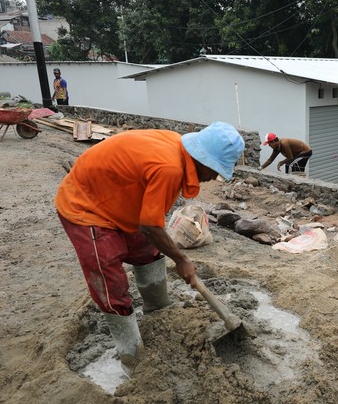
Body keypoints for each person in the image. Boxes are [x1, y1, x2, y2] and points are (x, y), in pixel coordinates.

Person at [55, 122, 245, 366]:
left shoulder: (178, 148)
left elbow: (149, 225)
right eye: (215, 171)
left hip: (120, 200)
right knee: (109, 279)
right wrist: (181, 259)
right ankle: (131, 352)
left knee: (149, 250)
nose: (212, 178)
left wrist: (173, 253)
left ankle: (158, 308)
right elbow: (150, 226)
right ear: (203, 160)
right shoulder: (170, 167)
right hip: (86, 206)